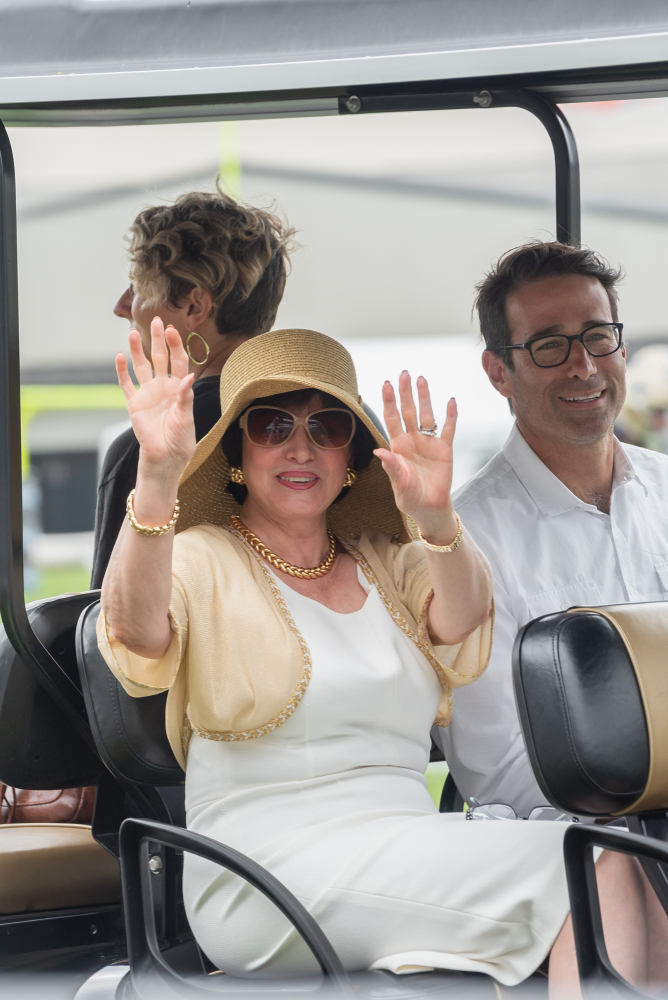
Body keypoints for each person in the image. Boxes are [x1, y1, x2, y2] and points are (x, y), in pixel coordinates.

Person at [97, 321, 667, 995]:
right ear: (237, 451)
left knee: (635, 866)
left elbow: (464, 618)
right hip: (264, 869)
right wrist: (157, 478)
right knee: (591, 865)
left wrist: (435, 522)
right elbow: (135, 633)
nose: (300, 447)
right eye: (273, 426)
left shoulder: (382, 558)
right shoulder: (202, 555)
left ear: (351, 456)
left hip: (401, 841)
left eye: (327, 426)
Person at [436, 240, 668, 818]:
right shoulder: (465, 544)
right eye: (548, 345)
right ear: (499, 372)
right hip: (601, 844)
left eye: (597, 335)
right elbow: (499, 770)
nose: (583, 365)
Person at [91, 186, 294, 588]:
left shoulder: (151, 447)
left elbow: (109, 624)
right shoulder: (339, 416)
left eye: (139, 287)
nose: (121, 306)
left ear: (195, 306)